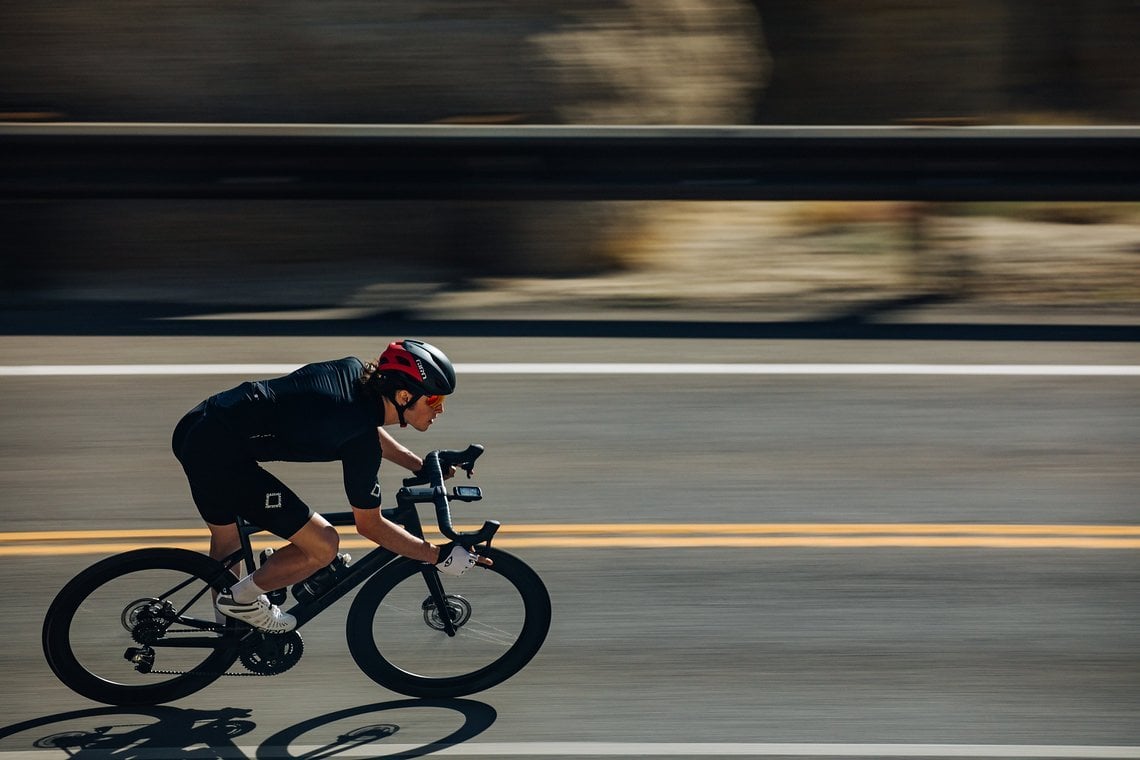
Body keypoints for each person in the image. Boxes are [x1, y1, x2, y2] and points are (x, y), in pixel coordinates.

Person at [171, 339, 485, 634]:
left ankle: (226, 636)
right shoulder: (359, 440)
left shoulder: (355, 373)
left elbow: (362, 424)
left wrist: (420, 466)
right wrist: (436, 554)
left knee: (228, 540)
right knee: (323, 544)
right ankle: (240, 600)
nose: (440, 409)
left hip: (198, 424)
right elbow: (370, 526)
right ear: (404, 396)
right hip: (218, 454)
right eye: (434, 399)